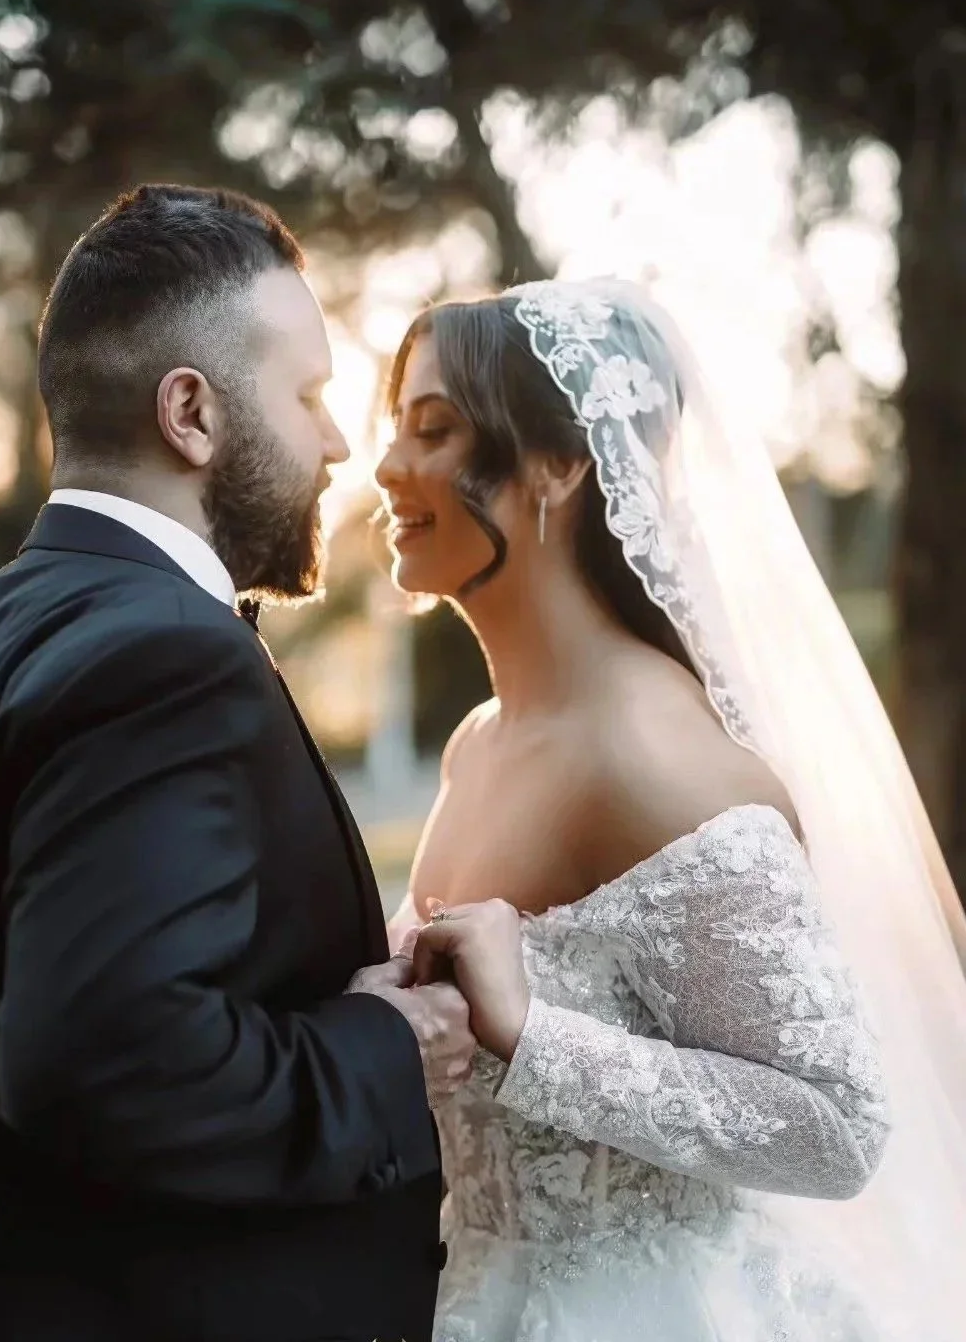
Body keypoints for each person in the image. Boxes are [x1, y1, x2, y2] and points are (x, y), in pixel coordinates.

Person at [0, 183, 475, 1342]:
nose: (336, 443)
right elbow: (116, 1063)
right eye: (308, 396)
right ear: (191, 413)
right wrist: (386, 1043)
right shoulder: (173, 657)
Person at [377, 278, 966, 1341]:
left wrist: (534, 1036)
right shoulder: (477, 741)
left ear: (560, 465)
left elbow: (836, 1127)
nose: (387, 467)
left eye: (435, 429)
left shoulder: (654, 759)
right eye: (396, 429)